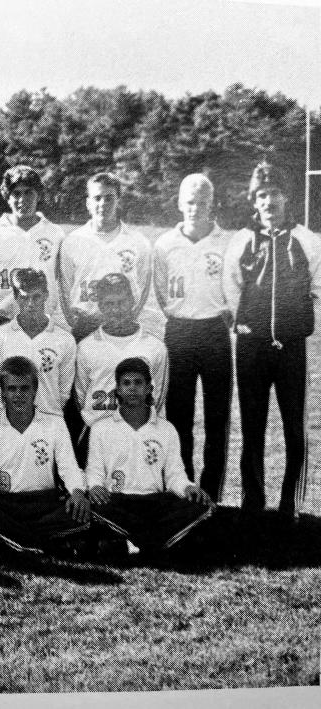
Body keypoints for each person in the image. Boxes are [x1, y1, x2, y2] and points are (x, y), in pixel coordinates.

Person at [223, 162, 321, 522]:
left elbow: (318, 286)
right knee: (252, 426)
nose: (269, 201)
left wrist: (296, 323)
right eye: (262, 195)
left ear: (286, 197)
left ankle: (290, 503)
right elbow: (231, 289)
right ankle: (252, 501)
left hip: (292, 347)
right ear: (254, 200)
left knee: (295, 427)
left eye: (275, 194)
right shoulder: (242, 241)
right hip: (252, 348)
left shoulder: (307, 241)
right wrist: (246, 326)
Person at [153, 173, 233, 502]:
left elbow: (234, 285)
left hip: (215, 331)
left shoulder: (225, 241)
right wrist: (177, 312)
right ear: (179, 203)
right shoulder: (164, 244)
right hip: (180, 331)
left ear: (211, 204)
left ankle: (211, 493)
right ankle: (183, 489)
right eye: (189, 202)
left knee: (217, 417)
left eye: (202, 202)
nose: (195, 208)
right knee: (179, 416)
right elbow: (159, 291)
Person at [0, 356, 89, 554]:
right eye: (11, 389)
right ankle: (40, 544)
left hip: (43, 503)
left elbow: (68, 467)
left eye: (24, 388)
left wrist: (78, 492)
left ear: (35, 391)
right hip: (4, 503)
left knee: (84, 511)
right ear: (2, 393)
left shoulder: (55, 424)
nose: (18, 395)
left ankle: (9, 540)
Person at [87, 357, 213, 556]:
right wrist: (94, 486)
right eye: (126, 383)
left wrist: (188, 486)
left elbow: (174, 474)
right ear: (117, 390)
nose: (132, 388)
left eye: (138, 383)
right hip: (119, 502)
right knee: (92, 507)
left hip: (155, 502)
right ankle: (161, 542)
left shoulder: (166, 428)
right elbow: (94, 469)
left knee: (201, 508)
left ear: (148, 388)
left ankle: (131, 540)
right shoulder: (101, 428)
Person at [73, 273, 167, 467]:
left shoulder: (154, 347)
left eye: (122, 302)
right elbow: (82, 396)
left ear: (132, 301)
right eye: (109, 304)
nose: (116, 310)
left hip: (139, 433)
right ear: (100, 306)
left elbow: (156, 397)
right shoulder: (86, 347)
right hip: (98, 436)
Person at [58, 172, 153, 341]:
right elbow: (65, 287)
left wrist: (132, 316)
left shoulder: (138, 242)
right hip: (85, 324)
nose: (103, 204)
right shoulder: (72, 241)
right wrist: (73, 320)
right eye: (97, 198)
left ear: (118, 201)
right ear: (88, 203)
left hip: (123, 323)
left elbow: (144, 284)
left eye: (109, 198)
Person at [0, 165, 66, 336]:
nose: (22, 199)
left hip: (41, 321)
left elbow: (56, 278)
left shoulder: (55, 234)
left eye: (28, 192)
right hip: (1, 321)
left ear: (38, 194)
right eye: (16, 193)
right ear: (7, 196)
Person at [0, 268, 76, 418]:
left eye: (36, 297)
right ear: (15, 297)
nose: (30, 304)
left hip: (49, 424)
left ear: (46, 295)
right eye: (24, 297)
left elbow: (63, 394)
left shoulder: (65, 340)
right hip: (8, 425)